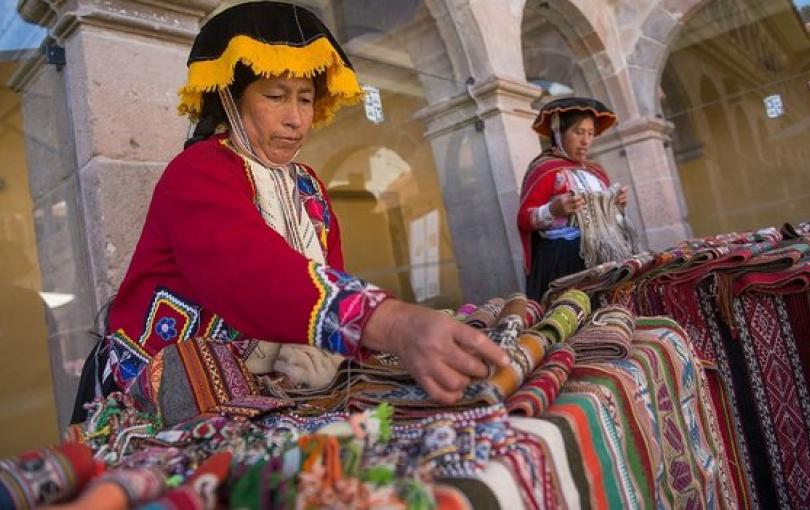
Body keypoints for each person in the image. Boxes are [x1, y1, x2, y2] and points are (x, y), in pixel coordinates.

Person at [71, 1, 508, 423]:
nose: (296, 119)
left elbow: (325, 277)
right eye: (276, 96)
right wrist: (390, 321)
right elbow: (249, 270)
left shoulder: (309, 188)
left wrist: (330, 352)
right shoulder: (196, 172)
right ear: (230, 99)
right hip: (162, 392)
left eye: (304, 99)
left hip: (265, 392)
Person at [517, 97, 633, 301]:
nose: (586, 141)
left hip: (606, 258)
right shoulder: (545, 170)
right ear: (558, 133)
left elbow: (607, 217)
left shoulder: (597, 172)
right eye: (578, 132)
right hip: (565, 263)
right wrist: (552, 210)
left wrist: (616, 204)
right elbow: (524, 219)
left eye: (590, 134)